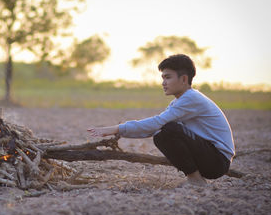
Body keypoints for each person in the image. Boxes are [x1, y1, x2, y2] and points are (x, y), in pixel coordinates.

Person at [87, 54, 234, 186]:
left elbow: (157, 122)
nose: (163, 83)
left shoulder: (191, 98)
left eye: (168, 77)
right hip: (211, 158)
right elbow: (153, 127)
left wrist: (116, 128)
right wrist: (121, 131)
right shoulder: (181, 101)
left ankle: (195, 180)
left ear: (184, 79)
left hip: (217, 161)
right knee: (161, 133)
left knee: (168, 130)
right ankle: (195, 178)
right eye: (163, 78)